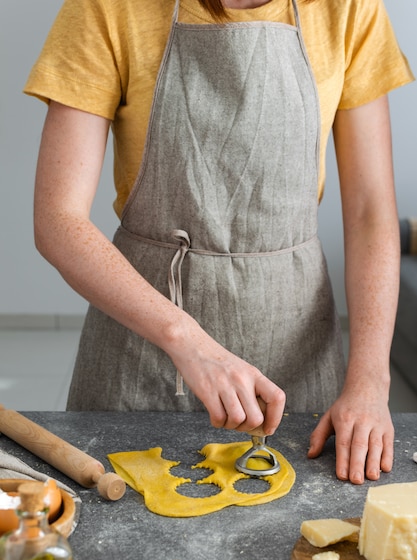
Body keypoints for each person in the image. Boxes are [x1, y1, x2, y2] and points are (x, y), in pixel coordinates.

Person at [25, 0, 414, 485]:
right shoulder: (108, 7)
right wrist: (184, 339)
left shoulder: (350, 8)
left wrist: (370, 382)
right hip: (143, 346)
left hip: (297, 345)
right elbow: (57, 219)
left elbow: (370, 214)